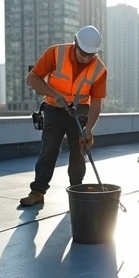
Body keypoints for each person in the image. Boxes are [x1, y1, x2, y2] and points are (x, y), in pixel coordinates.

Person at [18, 26, 108, 207]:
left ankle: (77, 192)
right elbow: (32, 78)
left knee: (78, 153)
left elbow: (96, 102)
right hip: (54, 109)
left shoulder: (99, 69)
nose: (86, 58)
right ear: (75, 43)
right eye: (82, 53)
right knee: (48, 150)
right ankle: (37, 192)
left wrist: (88, 129)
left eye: (90, 55)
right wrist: (54, 94)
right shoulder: (55, 53)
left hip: (80, 111)